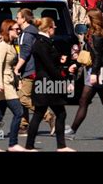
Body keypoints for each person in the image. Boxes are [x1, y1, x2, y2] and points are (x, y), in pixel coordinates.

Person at [65, 9, 103, 142]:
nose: (84, 19)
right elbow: (91, 54)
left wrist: (94, 74)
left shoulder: (96, 36)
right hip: (101, 71)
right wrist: (78, 64)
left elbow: (97, 56)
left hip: (96, 72)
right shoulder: (96, 33)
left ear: (92, 19)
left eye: (87, 17)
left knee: (83, 101)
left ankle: (72, 131)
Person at [25, 17, 76, 152]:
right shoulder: (42, 43)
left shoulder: (44, 42)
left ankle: (30, 146)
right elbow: (49, 66)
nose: (55, 29)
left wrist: (60, 60)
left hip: (46, 83)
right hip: (48, 84)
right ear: (48, 28)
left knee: (40, 114)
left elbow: (50, 61)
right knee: (58, 113)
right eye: (54, 26)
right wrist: (64, 82)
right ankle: (60, 146)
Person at [0, 19, 26, 152]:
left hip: (9, 82)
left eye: (19, 29)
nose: (18, 31)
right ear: (8, 30)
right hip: (4, 84)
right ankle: (13, 144)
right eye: (16, 29)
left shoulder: (11, 45)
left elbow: (11, 66)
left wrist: (17, 80)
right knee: (19, 112)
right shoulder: (2, 46)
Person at [14, 9, 55, 136]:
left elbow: (25, 54)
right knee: (24, 96)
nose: (16, 20)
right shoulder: (28, 32)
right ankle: (23, 125)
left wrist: (17, 68)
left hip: (29, 70)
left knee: (22, 98)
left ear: (24, 19)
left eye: (18, 17)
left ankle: (48, 115)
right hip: (30, 69)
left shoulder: (27, 35)